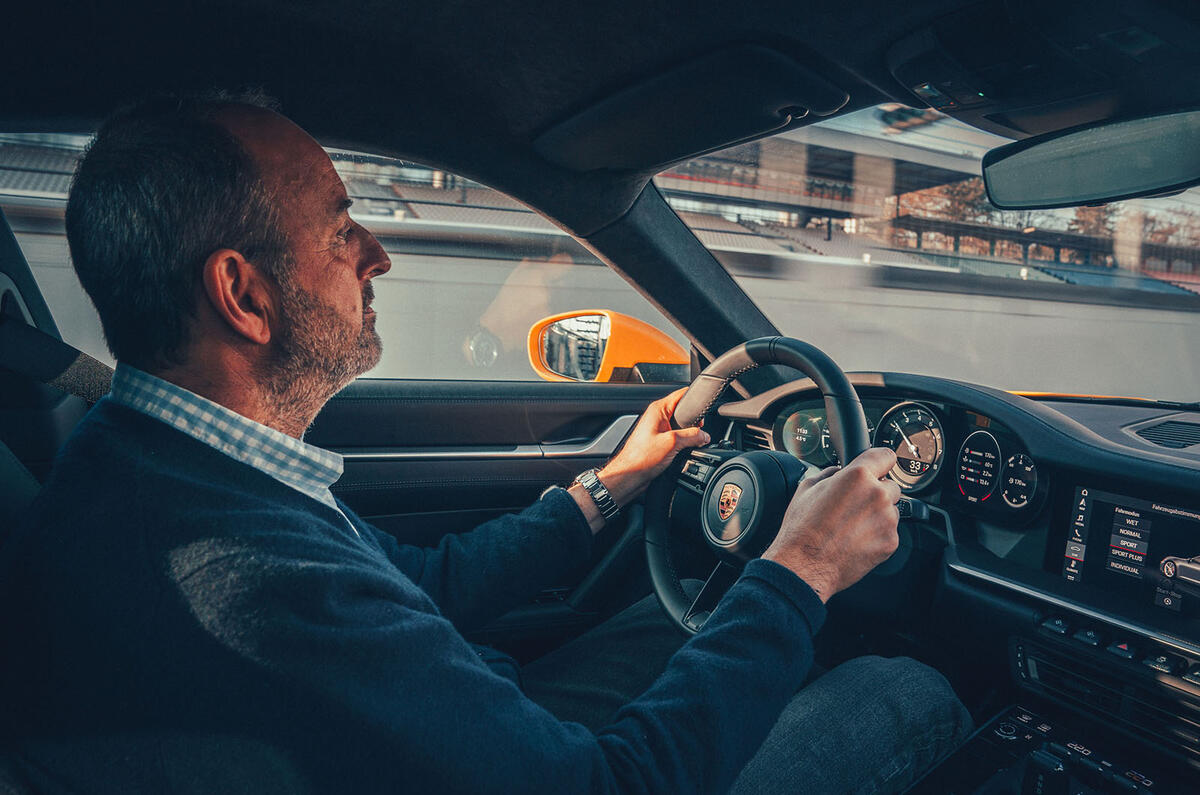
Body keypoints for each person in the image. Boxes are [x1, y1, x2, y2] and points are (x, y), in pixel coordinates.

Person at [0, 93, 971, 793]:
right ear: (244, 295)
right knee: (905, 687)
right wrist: (803, 566)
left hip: (472, 743)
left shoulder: (163, 469)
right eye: (341, 231)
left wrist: (612, 484)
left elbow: (430, 585)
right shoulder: (249, 574)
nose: (377, 255)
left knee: (687, 621)